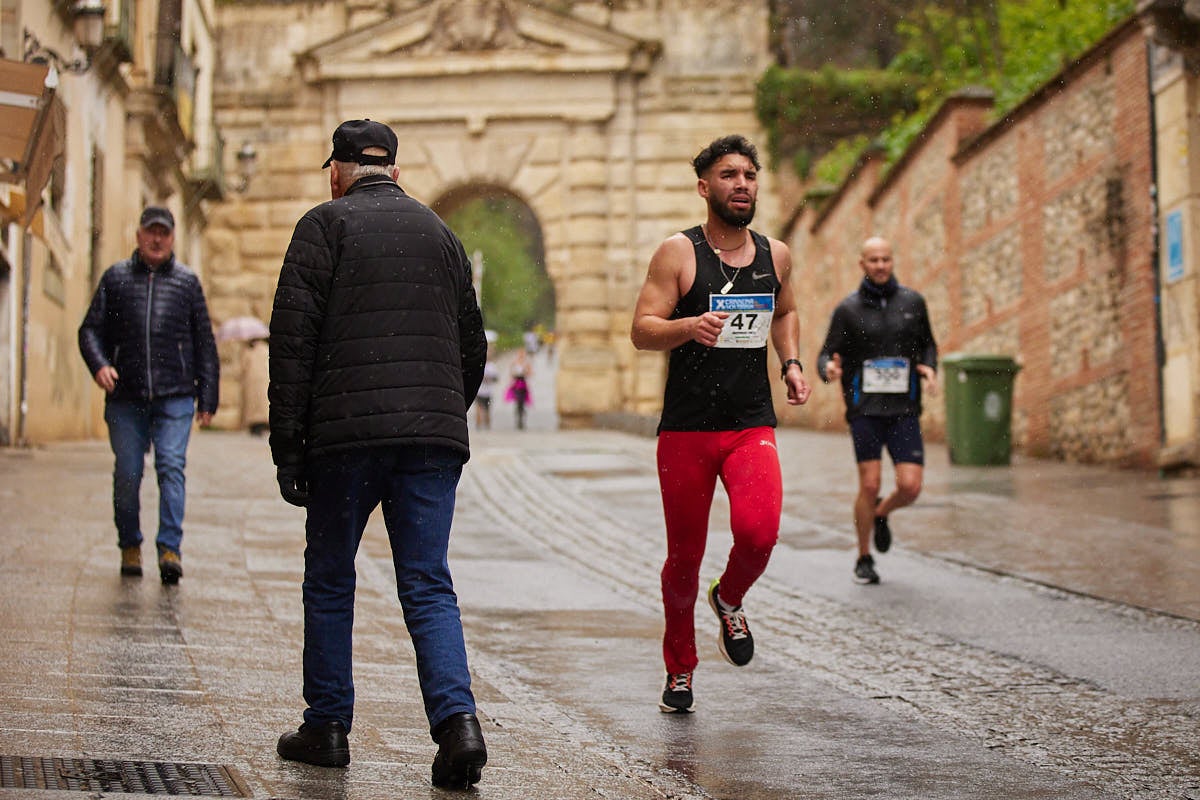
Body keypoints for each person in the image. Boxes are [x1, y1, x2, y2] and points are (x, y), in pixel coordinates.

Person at [268, 119, 489, 789]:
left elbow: (292, 346)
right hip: (429, 443)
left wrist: (289, 449)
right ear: (393, 170)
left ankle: (328, 727)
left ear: (337, 171)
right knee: (427, 583)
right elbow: (472, 347)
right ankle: (459, 727)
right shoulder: (442, 236)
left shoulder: (321, 227)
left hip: (344, 442)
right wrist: (439, 407)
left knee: (332, 576)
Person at [630, 134, 810, 714]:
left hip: (749, 423)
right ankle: (679, 669)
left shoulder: (775, 254)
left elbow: (785, 311)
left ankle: (729, 598)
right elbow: (642, 329)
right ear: (705, 187)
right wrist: (688, 327)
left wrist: (792, 363)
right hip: (686, 429)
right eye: (730, 175)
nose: (743, 184)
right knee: (683, 555)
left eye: (750, 175)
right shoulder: (678, 254)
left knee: (759, 532)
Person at [78, 205, 219, 584]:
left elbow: (204, 342)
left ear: (172, 238)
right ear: (138, 234)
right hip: (126, 396)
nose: (157, 239)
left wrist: (207, 397)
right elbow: (89, 330)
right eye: (150, 231)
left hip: (175, 396)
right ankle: (130, 544)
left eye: (164, 233)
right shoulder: (116, 278)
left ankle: (170, 548)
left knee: (171, 467)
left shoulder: (187, 283)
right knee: (127, 473)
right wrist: (100, 365)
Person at [816, 236, 938, 586]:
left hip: (904, 409)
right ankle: (864, 556)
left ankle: (882, 514)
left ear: (893, 260)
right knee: (869, 485)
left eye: (886, 259)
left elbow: (928, 344)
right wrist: (829, 370)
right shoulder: (848, 309)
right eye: (874, 260)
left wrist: (929, 367)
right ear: (862, 264)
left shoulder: (913, 303)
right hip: (865, 409)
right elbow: (826, 353)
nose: (881, 265)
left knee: (911, 487)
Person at [240, 337, 270, 436]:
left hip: (251, 381)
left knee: (252, 404)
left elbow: (243, 367)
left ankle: (254, 425)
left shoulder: (249, 351)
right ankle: (262, 424)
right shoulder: (267, 349)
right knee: (262, 404)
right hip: (264, 380)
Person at [505, 349, 532, 430]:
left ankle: (521, 418)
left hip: (522, 384)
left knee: (522, 403)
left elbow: (530, 373)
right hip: (517, 384)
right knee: (518, 402)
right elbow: (511, 373)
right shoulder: (514, 363)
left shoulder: (526, 363)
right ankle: (519, 419)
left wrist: (524, 372)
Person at [475, 349, 499, 430]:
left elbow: (496, 378)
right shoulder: (479, 364)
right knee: (479, 408)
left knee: (487, 410)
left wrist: (489, 379)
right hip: (479, 391)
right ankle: (478, 425)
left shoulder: (492, 366)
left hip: (488, 392)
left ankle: (487, 425)